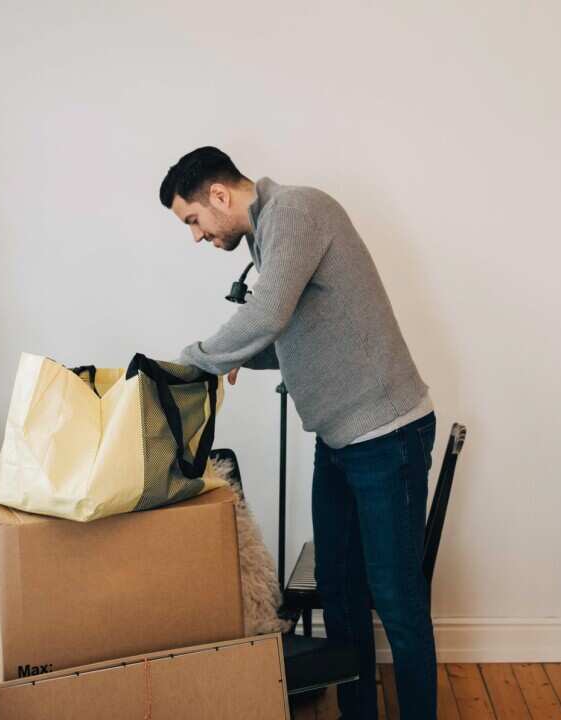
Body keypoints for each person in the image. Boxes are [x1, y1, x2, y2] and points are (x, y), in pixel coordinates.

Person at [160, 147, 437, 719]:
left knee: (399, 603)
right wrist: (247, 355)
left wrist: (192, 361)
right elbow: (298, 334)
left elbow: (267, 315)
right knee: (339, 593)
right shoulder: (270, 238)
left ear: (219, 195)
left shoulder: (295, 211)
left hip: (387, 436)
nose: (196, 236)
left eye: (193, 220)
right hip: (339, 443)